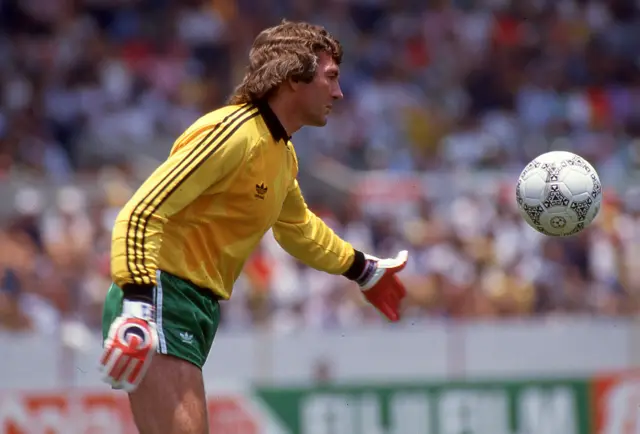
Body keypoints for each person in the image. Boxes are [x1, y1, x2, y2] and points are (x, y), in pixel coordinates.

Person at [99, 19, 408, 434]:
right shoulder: (234, 132)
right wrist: (138, 308)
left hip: (192, 306)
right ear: (293, 78)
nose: (338, 92)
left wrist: (363, 269)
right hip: (159, 293)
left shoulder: (281, 153)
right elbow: (141, 212)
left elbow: (299, 230)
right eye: (330, 78)